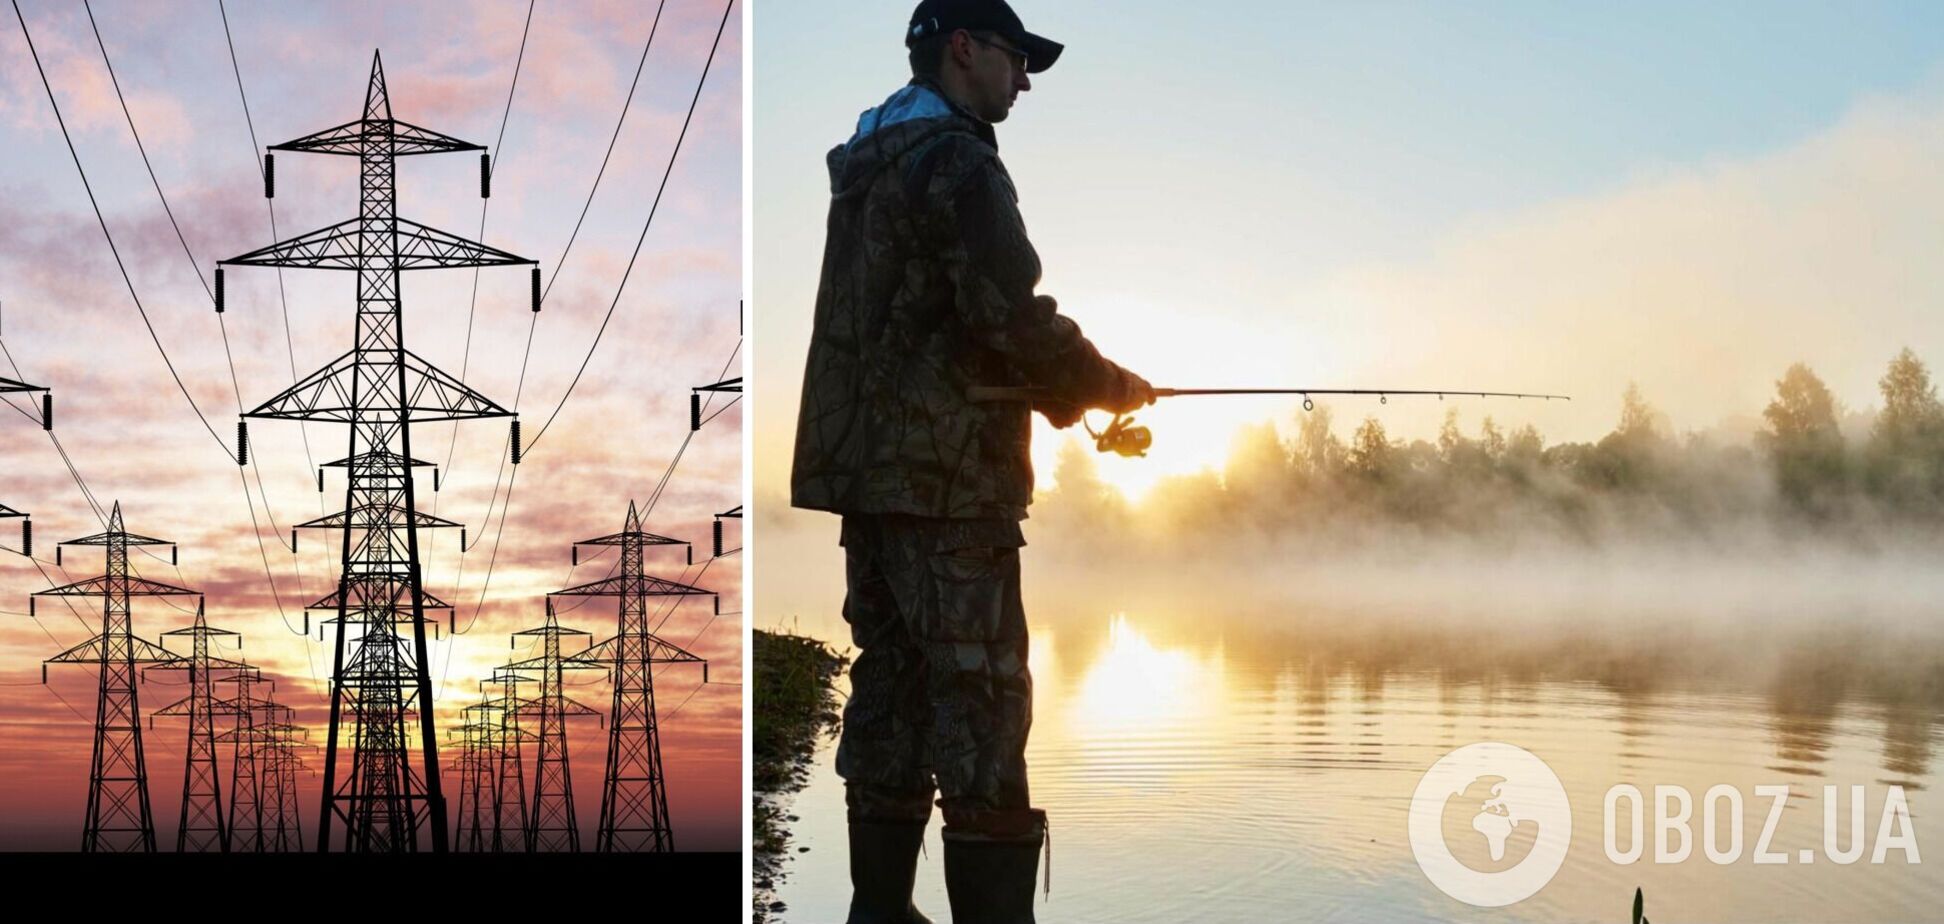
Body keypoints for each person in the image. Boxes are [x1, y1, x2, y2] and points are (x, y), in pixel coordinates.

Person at [791, 1, 1154, 921]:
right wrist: (1105, 382)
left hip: (869, 480)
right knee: (983, 698)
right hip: (951, 481)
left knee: (893, 684)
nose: (1023, 79)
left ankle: (879, 908)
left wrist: (1061, 391)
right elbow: (1007, 313)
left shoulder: (869, 167)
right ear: (963, 48)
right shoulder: (955, 159)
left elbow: (929, 325)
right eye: (1015, 58)